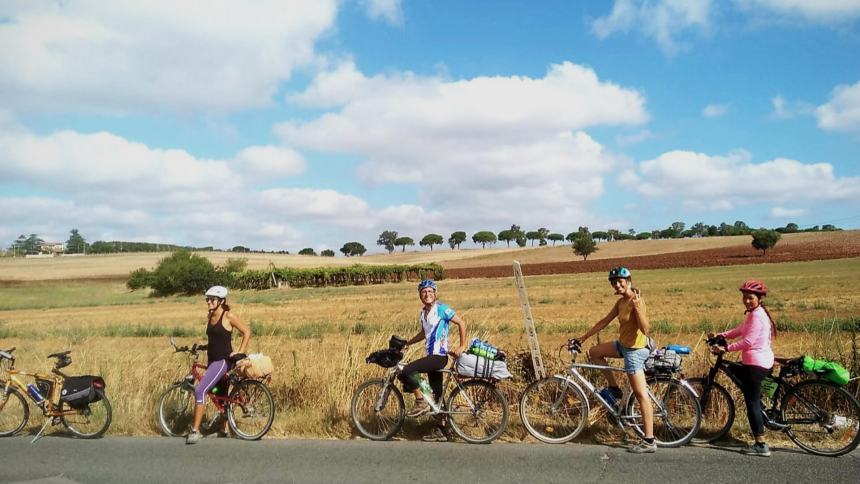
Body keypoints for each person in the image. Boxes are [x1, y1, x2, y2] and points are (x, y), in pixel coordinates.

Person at [575, 267, 656, 453]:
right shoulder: (621, 302)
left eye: (620, 281)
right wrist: (584, 337)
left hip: (634, 351)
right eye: (613, 282)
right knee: (594, 352)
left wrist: (638, 309)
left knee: (641, 394)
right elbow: (605, 321)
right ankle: (615, 389)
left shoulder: (637, 300)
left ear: (628, 281)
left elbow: (646, 329)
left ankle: (649, 440)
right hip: (623, 345)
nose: (616, 284)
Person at [709, 279, 776, 457]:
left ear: (759, 298)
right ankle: (763, 413)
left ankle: (761, 445)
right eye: (745, 297)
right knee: (741, 378)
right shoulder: (754, 314)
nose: (746, 300)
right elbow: (741, 330)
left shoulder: (758, 316)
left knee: (751, 402)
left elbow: (748, 342)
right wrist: (721, 334)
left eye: (750, 298)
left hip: (756, 364)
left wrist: (725, 348)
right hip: (759, 361)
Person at [399, 279, 467, 442]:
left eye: (430, 291)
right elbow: (424, 333)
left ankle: (421, 401)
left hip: (438, 357)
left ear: (435, 294)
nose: (427, 294)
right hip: (431, 356)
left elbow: (461, 323)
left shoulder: (442, 309)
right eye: (424, 292)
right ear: (420, 295)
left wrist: (462, 346)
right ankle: (440, 430)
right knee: (437, 395)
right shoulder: (423, 313)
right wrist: (408, 343)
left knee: (407, 370)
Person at [186, 285, 251, 445]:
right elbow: (216, 339)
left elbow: (247, 332)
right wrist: (203, 346)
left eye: (212, 299)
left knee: (200, 390)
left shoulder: (228, 316)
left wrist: (239, 352)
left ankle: (195, 431)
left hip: (223, 361)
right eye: (207, 299)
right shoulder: (210, 316)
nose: (208, 302)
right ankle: (223, 430)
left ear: (221, 301)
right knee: (220, 393)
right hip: (212, 360)